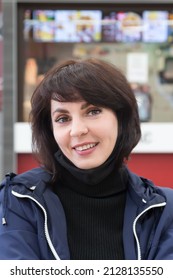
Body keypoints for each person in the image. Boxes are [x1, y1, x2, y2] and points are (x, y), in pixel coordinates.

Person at [0, 58, 173, 260]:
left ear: (121, 118)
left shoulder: (163, 209)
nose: (77, 130)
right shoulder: (19, 200)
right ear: (51, 130)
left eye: (93, 111)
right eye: (63, 119)